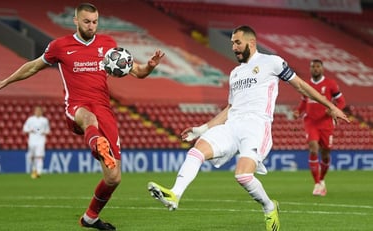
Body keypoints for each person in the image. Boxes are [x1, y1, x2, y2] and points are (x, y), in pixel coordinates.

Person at [147, 25, 349, 231]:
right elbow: (230, 108)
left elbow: (301, 86)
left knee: (242, 176)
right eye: (232, 43)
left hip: (256, 126)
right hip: (232, 125)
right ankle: (175, 194)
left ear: (251, 43)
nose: (233, 47)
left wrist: (331, 106)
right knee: (197, 150)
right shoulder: (235, 73)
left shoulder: (272, 62)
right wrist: (202, 128)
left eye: (237, 43)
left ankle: (269, 207)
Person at [0, 3, 164, 230]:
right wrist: (5, 82)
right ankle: (97, 144)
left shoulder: (108, 45)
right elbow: (32, 67)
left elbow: (137, 72)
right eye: (87, 21)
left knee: (114, 178)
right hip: (77, 107)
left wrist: (149, 66)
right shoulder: (60, 46)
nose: (92, 26)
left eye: (95, 22)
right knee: (89, 119)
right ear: (76, 21)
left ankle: (89, 218)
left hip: (104, 109)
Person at [293, 59, 346, 196]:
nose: (315, 69)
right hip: (311, 122)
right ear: (310, 69)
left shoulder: (331, 84)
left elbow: (341, 101)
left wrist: (335, 110)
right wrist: (299, 111)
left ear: (322, 69)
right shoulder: (306, 85)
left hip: (326, 123)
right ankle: (317, 184)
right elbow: (304, 101)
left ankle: (322, 180)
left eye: (318, 67)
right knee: (313, 147)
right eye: (313, 67)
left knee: (326, 153)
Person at [23, 106, 50, 179]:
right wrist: (30, 130)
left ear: (41, 112)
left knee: (39, 156)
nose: (38, 112)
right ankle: (34, 170)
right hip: (32, 140)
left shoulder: (44, 120)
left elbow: (48, 130)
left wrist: (43, 132)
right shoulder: (30, 119)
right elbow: (24, 129)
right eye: (36, 110)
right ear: (34, 111)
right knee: (31, 156)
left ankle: (39, 172)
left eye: (39, 110)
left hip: (41, 140)